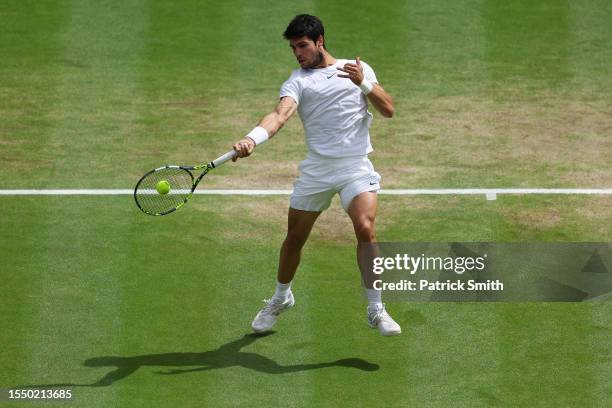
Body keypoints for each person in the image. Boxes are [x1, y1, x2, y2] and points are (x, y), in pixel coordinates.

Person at [232, 14, 401, 336]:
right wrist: (253, 138)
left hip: (355, 167)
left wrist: (363, 82)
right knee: (295, 239)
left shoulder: (356, 68)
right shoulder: (297, 80)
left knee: (366, 227)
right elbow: (280, 115)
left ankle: (376, 309)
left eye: (303, 46)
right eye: (294, 48)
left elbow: (388, 109)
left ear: (320, 41)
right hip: (317, 171)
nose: (298, 53)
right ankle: (282, 297)